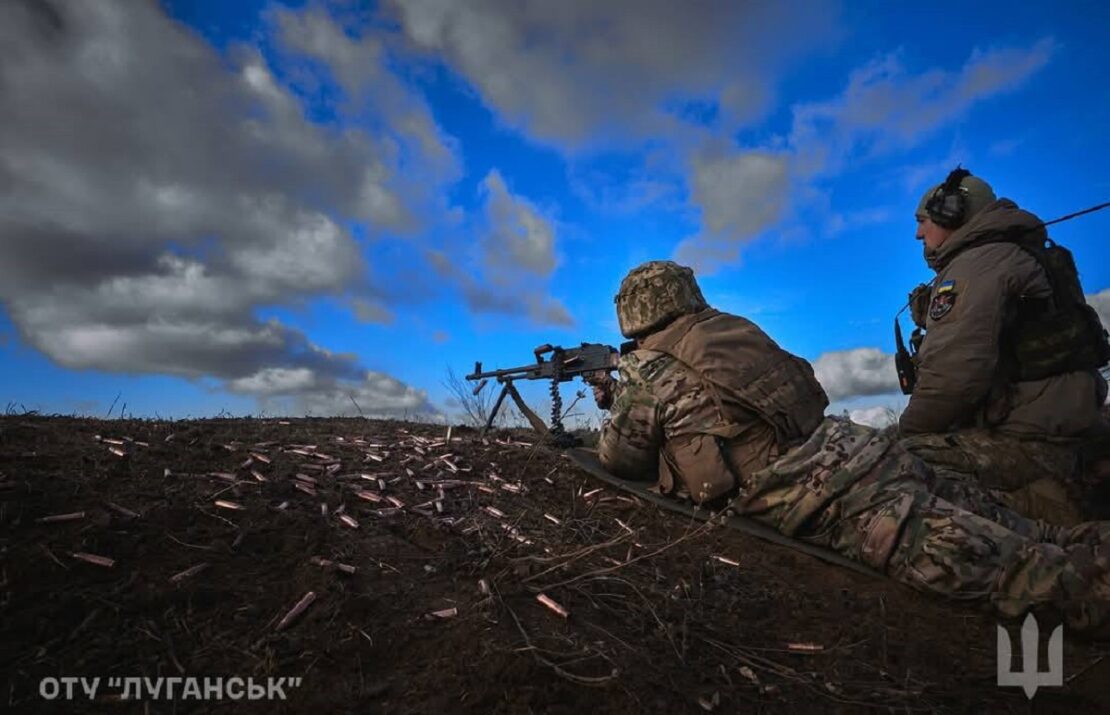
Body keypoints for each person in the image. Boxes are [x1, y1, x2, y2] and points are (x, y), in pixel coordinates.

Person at [589, 260, 1110, 636]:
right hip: (856, 449)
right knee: (1029, 531)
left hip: (824, 495)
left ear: (632, 316)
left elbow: (621, 458)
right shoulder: (733, 330)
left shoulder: (648, 368)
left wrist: (616, 396)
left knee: (1020, 575)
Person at [899, 168, 1110, 525]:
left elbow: (952, 378)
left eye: (923, 220)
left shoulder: (977, 264)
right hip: (1067, 424)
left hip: (1031, 440)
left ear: (951, 211)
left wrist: (905, 432)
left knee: (891, 461)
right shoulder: (1016, 253)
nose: (919, 233)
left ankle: (1054, 509)